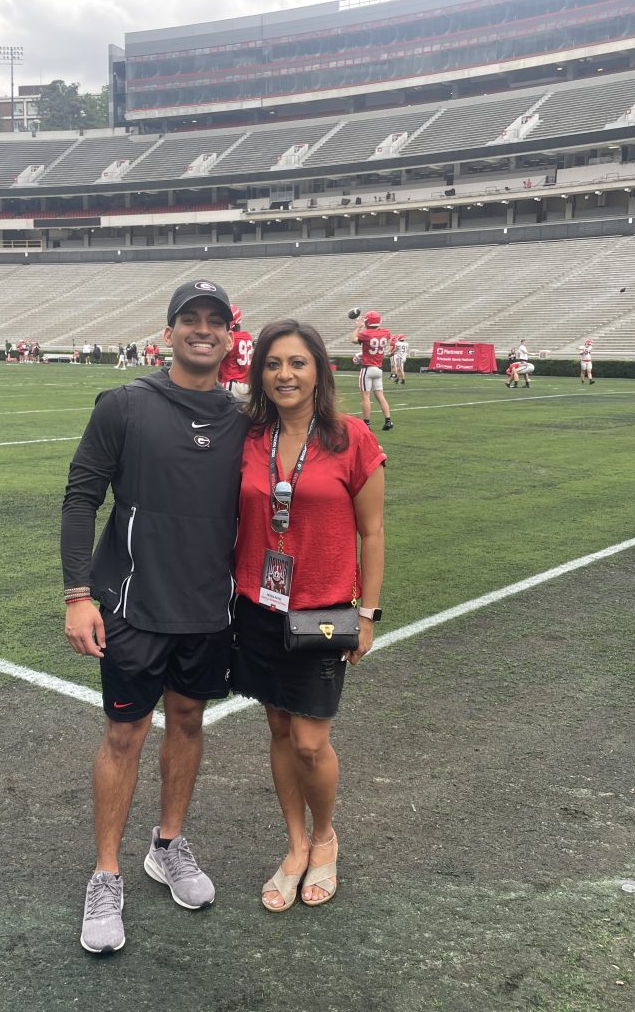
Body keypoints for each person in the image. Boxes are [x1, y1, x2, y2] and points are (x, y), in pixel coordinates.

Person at [61, 279, 247, 954]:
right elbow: (81, 498)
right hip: (134, 606)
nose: (203, 329)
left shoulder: (243, 421)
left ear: (230, 336)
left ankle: (166, 845)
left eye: (215, 321)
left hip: (208, 607)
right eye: (189, 319)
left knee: (191, 720)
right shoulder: (125, 405)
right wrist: (77, 595)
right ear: (167, 332)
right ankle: (106, 873)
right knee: (124, 734)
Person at [231, 319, 386, 912]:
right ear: (259, 373)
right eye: (273, 364)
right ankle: (294, 846)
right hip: (257, 603)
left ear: (320, 370)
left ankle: (325, 838)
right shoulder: (249, 437)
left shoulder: (351, 438)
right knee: (276, 730)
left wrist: (367, 612)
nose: (284, 375)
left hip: (322, 611)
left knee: (310, 743)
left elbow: (372, 534)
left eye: (297, 363)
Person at [351, 311, 393, 430]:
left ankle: (367, 424)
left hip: (367, 369)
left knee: (366, 397)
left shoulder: (365, 333)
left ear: (368, 322)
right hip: (379, 369)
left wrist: (358, 327)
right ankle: (388, 421)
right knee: (380, 396)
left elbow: (354, 339)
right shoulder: (386, 332)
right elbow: (377, 333)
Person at [218, 304, 254, 400]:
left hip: (230, 383)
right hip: (246, 384)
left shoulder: (229, 338)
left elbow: (215, 359)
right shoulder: (247, 336)